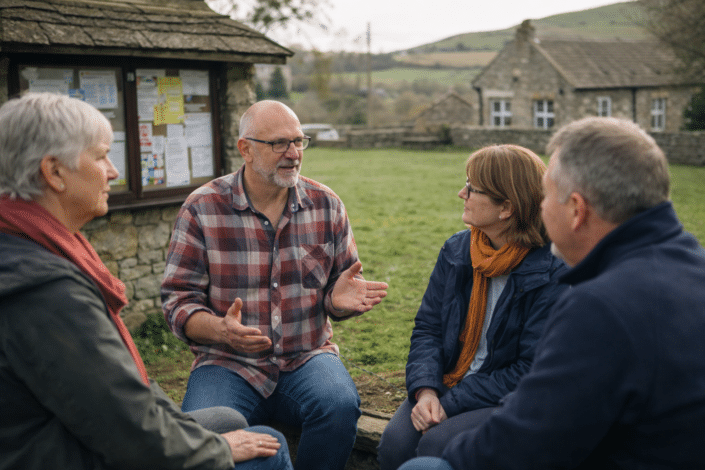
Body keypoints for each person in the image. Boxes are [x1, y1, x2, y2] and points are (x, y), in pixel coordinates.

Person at [0, 92, 293, 470]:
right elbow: (127, 432)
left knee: (229, 421)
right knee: (270, 447)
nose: (112, 171)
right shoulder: (45, 290)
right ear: (54, 172)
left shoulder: (22, 245)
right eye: (100, 155)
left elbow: (114, 393)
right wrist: (218, 451)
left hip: (52, 439)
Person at [399, 117, 705, 470]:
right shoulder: (688, 266)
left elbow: (529, 436)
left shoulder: (600, 305)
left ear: (576, 210)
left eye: (546, 195)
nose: (539, 208)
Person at [161, 100, 389, 470]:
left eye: (299, 141)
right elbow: (177, 301)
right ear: (245, 149)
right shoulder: (202, 208)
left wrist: (338, 302)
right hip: (227, 362)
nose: (294, 153)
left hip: (307, 355)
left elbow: (342, 285)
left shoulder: (326, 205)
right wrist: (220, 329)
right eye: (279, 143)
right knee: (202, 433)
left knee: (339, 405)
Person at [377, 144, 567, 469]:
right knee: (395, 444)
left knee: (437, 445)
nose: (461, 193)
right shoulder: (457, 250)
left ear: (506, 207)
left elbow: (530, 368)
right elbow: (428, 329)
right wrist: (425, 392)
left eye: (471, 188)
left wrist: (449, 404)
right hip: (448, 382)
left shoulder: (551, 270)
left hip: (509, 394)